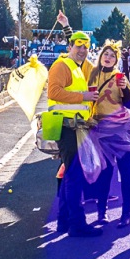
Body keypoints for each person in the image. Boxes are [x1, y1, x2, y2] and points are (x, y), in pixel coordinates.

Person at [79, 40, 130, 228]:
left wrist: (124, 87)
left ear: (116, 60)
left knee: (126, 173)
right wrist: (66, 26)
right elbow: (78, 53)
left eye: (112, 55)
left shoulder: (119, 77)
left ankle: (126, 214)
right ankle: (102, 213)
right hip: (101, 133)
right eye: (105, 54)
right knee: (104, 174)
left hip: (122, 131)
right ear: (100, 56)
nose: (108, 57)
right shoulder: (92, 74)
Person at [46, 29, 101, 238]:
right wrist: (83, 95)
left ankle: (64, 221)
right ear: (69, 47)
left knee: (70, 174)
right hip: (66, 127)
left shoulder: (79, 66)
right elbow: (54, 92)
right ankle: (77, 224)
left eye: (86, 46)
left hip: (75, 126)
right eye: (78, 46)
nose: (82, 50)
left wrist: (68, 26)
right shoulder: (62, 65)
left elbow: (97, 69)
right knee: (74, 175)